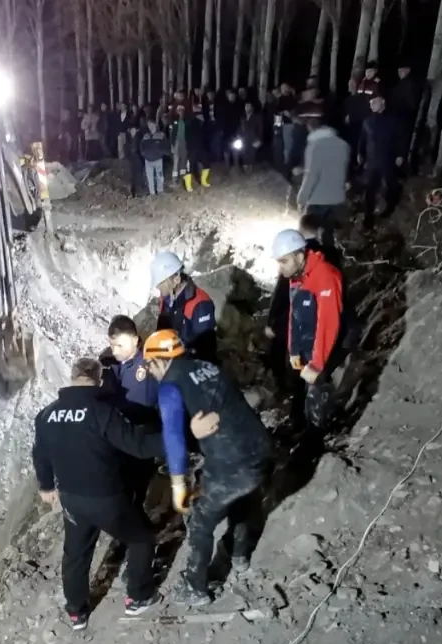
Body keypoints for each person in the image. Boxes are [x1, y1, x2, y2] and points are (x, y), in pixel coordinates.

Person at [31, 358, 169, 630]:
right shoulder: (101, 412)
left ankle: (76, 613)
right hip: (107, 498)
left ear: (72, 378)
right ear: (99, 379)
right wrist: (175, 439)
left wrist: (46, 486)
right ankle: (138, 597)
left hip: (71, 499)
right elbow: (138, 446)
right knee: (141, 538)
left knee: (76, 554)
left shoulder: (46, 414)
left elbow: (40, 454)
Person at [142, 330, 273, 606]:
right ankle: (239, 556)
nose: (150, 371)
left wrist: (178, 485)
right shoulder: (207, 367)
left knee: (200, 519)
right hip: (261, 449)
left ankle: (195, 588)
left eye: (149, 365)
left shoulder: (170, 386)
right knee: (241, 499)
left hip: (232, 462)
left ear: (159, 360)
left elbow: (174, 439)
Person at [272, 229, 347, 431]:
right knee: (302, 396)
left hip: (323, 352)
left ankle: (321, 437)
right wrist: (293, 349)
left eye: (284, 261)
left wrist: (317, 364)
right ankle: (302, 429)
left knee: (317, 401)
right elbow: (294, 315)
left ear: (299, 256)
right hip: (306, 350)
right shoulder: (298, 277)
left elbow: (328, 322)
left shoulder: (326, 276)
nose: (280, 268)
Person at [295, 103, 350, 245]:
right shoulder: (343, 145)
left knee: (309, 235)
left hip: (318, 201)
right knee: (328, 235)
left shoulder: (314, 147)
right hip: (337, 200)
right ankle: (330, 255)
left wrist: (301, 198)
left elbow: (311, 176)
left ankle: (312, 256)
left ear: (310, 127)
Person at [150, 250, 218, 363]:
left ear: (176, 279)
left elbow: (205, 352)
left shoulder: (200, 304)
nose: (157, 286)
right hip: (172, 361)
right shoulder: (166, 299)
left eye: (161, 282)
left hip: (192, 366)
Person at [101, 315, 161, 424]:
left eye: (120, 346)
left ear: (135, 341)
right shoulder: (107, 361)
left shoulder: (148, 367)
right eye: (112, 345)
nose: (115, 351)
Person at [359, 94, 406, 229]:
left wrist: (400, 155)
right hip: (372, 161)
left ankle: (390, 207)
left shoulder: (393, 121)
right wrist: (360, 153)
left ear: (383, 103)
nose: (372, 105)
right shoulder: (367, 121)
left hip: (387, 159)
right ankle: (368, 216)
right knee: (370, 189)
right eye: (371, 103)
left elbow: (400, 138)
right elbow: (363, 139)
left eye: (375, 102)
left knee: (390, 185)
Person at [139, 118, 169, 195]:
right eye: (149, 125)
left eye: (152, 125)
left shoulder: (161, 135)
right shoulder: (146, 136)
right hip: (148, 160)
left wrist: (161, 153)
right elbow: (141, 146)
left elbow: (166, 145)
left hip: (158, 159)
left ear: (155, 125)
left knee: (160, 176)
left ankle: (160, 191)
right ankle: (152, 192)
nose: (150, 127)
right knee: (149, 177)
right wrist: (143, 154)